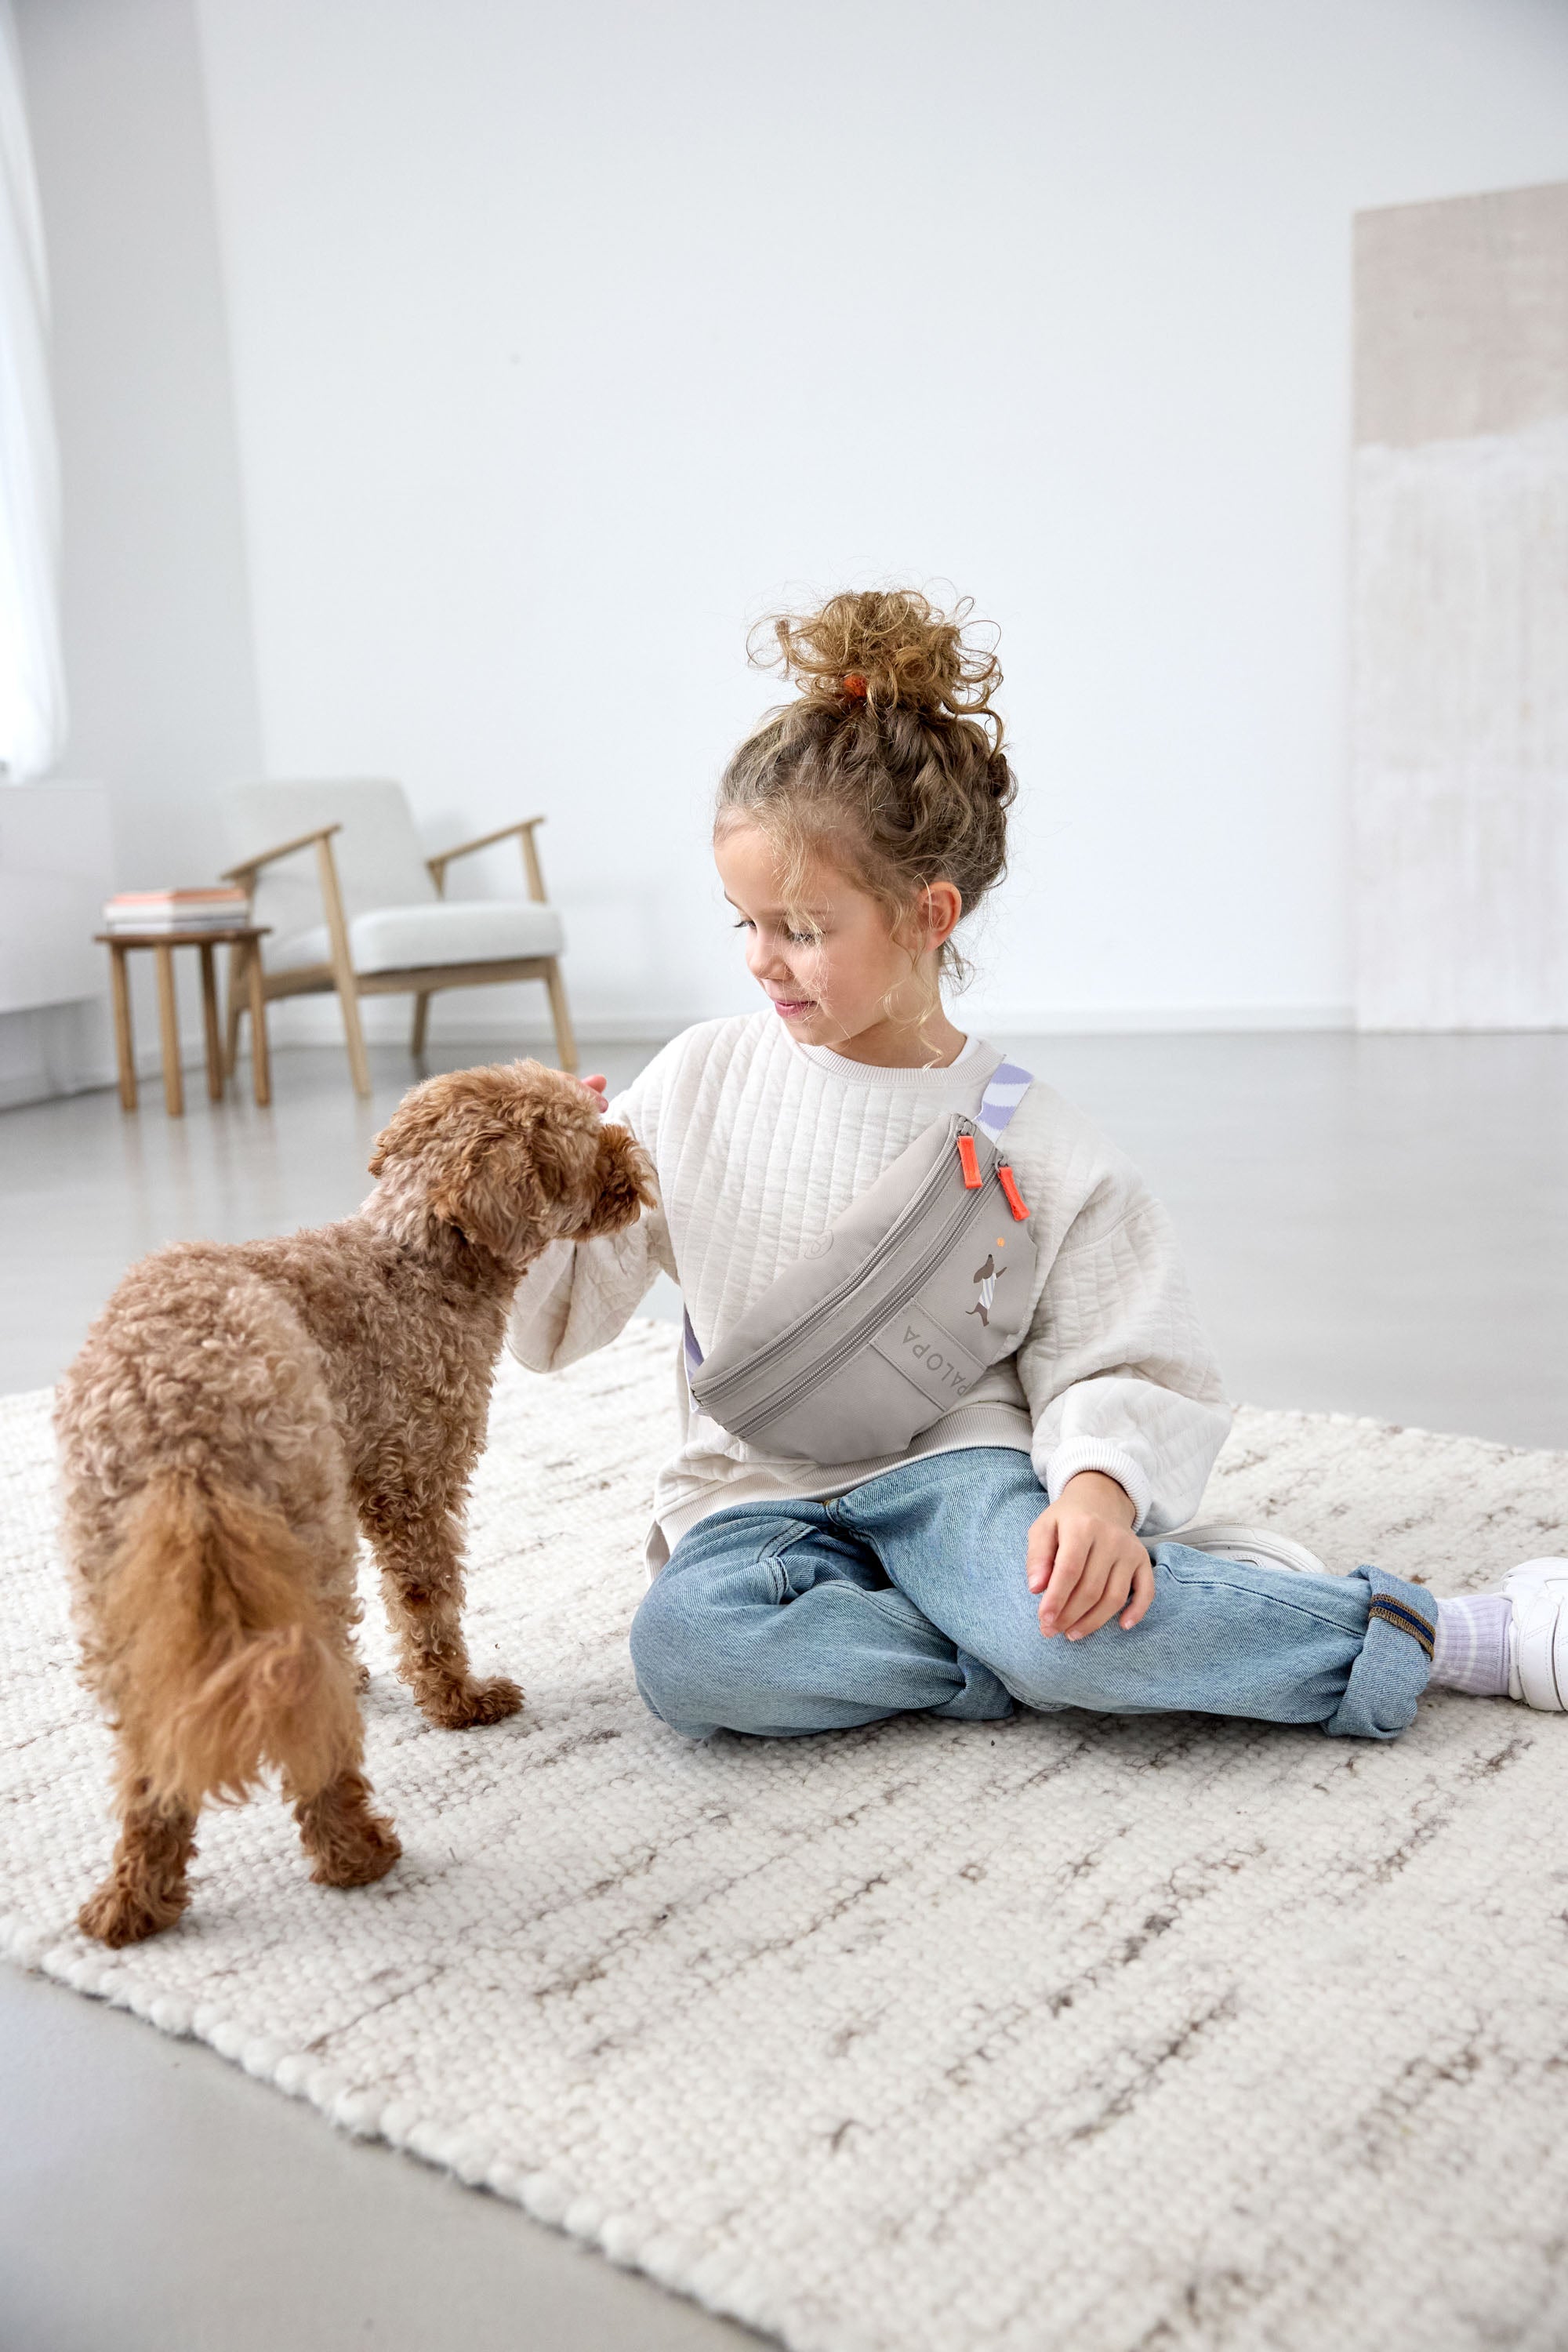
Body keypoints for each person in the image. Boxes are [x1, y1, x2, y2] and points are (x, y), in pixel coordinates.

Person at [508, 588, 1566, 1741]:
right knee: (693, 1658)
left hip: (956, 1474)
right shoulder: (697, 1080)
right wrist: (543, 1201)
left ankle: (1455, 1631)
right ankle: (1004, 1652)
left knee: (1066, 1610)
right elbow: (555, 1330)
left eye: (803, 928)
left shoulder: (1031, 1132)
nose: (764, 962)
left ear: (929, 914)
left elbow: (1127, 1358)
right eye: (743, 924)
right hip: (752, 1486)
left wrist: (1097, 1493)